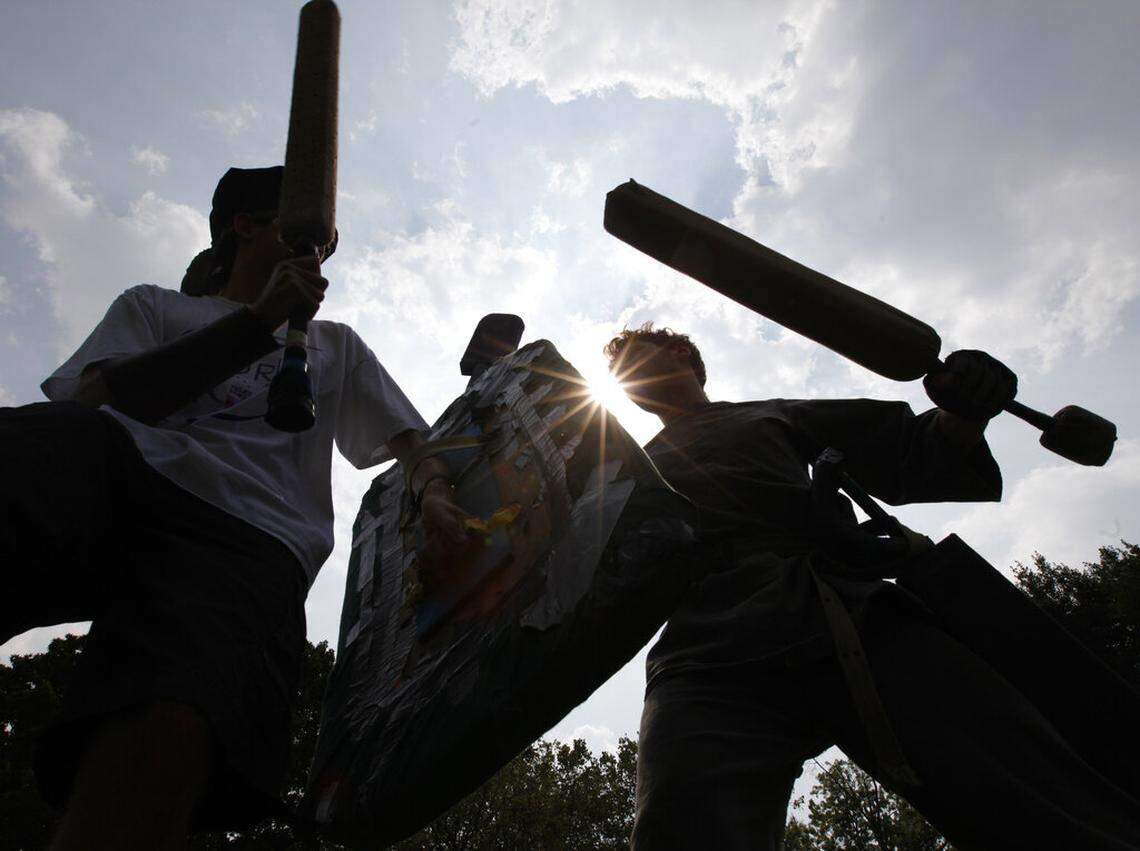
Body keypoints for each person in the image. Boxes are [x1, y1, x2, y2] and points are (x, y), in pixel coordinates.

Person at [0, 166, 467, 850]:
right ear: (246, 225)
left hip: (250, 534)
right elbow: (85, 404)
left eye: (324, 238)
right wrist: (255, 324)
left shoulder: (335, 344)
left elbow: (414, 442)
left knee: (164, 741)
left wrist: (435, 496)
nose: (317, 249)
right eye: (298, 226)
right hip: (125, 470)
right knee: (29, 453)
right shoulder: (158, 307)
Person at [604, 323, 1140, 850]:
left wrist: (965, 408)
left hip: (843, 608)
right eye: (621, 374)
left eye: (638, 357)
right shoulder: (617, 476)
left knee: (1027, 784)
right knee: (677, 826)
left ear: (682, 355)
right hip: (703, 652)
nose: (630, 376)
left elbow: (911, 450)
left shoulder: (771, 414)